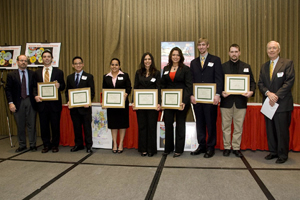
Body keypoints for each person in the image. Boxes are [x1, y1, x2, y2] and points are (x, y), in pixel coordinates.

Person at [258, 41, 295, 164]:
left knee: (282, 130)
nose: (271, 50)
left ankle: (283, 154)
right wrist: (268, 93)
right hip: (269, 103)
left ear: (279, 50)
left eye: (274, 48)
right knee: (271, 129)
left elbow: (289, 82)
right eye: (269, 48)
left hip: (282, 104)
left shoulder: (287, 63)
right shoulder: (264, 66)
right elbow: (260, 84)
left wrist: (276, 96)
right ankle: (273, 152)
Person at [190, 37, 223, 158]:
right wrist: (191, 95)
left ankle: (211, 147)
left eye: (203, 45)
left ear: (208, 46)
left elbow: (219, 78)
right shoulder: (193, 62)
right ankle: (201, 145)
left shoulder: (215, 60)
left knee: (210, 123)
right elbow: (191, 80)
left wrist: (218, 94)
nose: (201, 47)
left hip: (211, 99)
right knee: (200, 123)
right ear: (197, 47)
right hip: (197, 99)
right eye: (199, 45)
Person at [220, 44, 256, 157]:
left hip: (241, 102)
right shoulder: (223, 66)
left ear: (239, 53)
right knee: (225, 126)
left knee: (238, 126)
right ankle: (227, 147)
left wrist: (251, 92)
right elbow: (219, 82)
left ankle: (236, 147)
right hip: (226, 102)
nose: (234, 54)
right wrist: (221, 92)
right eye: (232, 52)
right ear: (229, 53)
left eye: (236, 51)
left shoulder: (246, 66)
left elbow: (252, 83)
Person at [161, 47, 193, 157]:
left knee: (180, 124)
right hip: (168, 102)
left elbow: (189, 86)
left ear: (181, 57)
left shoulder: (185, 69)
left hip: (181, 102)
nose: (175, 57)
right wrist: (162, 101)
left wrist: (184, 101)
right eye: (173, 55)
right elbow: (162, 85)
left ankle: (179, 149)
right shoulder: (165, 68)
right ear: (170, 56)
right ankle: (168, 148)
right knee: (168, 123)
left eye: (177, 55)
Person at [33, 50, 65, 153]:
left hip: (54, 104)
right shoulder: (37, 72)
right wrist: (35, 96)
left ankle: (55, 145)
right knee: (44, 126)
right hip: (42, 104)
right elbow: (33, 87)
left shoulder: (58, 72)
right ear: (42, 59)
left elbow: (63, 86)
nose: (47, 58)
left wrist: (59, 86)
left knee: (55, 126)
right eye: (45, 57)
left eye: (48, 56)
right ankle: (46, 145)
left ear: (52, 59)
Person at [5, 55, 37, 152]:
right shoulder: (11, 75)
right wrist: (10, 103)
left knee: (32, 124)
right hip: (17, 102)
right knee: (20, 124)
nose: (24, 62)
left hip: (30, 100)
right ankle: (22, 144)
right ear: (17, 62)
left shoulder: (32, 74)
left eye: (25, 61)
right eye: (22, 60)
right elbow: (8, 90)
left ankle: (32, 144)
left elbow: (36, 87)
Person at [133, 53, 161, 157]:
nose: (147, 61)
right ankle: (143, 149)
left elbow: (158, 88)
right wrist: (134, 102)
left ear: (152, 60)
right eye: (145, 59)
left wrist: (159, 103)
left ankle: (151, 149)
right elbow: (135, 87)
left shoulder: (156, 73)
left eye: (149, 59)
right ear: (143, 61)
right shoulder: (138, 73)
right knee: (142, 126)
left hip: (152, 105)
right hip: (140, 104)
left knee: (152, 126)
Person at [65, 56, 95, 153]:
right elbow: (67, 92)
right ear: (73, 66)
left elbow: (92, 92)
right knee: (76, 127)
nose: (78, 65)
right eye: (76, 63)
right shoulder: (69, 78)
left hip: (85, 108)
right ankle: (78, 145)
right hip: (74, 108)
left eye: (79, 63)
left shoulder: (89, 76)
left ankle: (89, 146)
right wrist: (68, 101)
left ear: (83, 64)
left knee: (87, 127)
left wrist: (88, 102)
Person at [102, 58, 132, 154]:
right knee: (113, 124)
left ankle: (121, 144)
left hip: (122, 104)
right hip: (111, 105)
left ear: (119, 66)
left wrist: (126, 93)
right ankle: (115, 143)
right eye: (112, 64)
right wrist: (105, 101)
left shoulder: (124, 75)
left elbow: (129, 87)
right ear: (110, 65)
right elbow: (104, 90)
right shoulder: (106, 77)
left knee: (122, 124)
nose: (114, 66)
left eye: (116, 65)